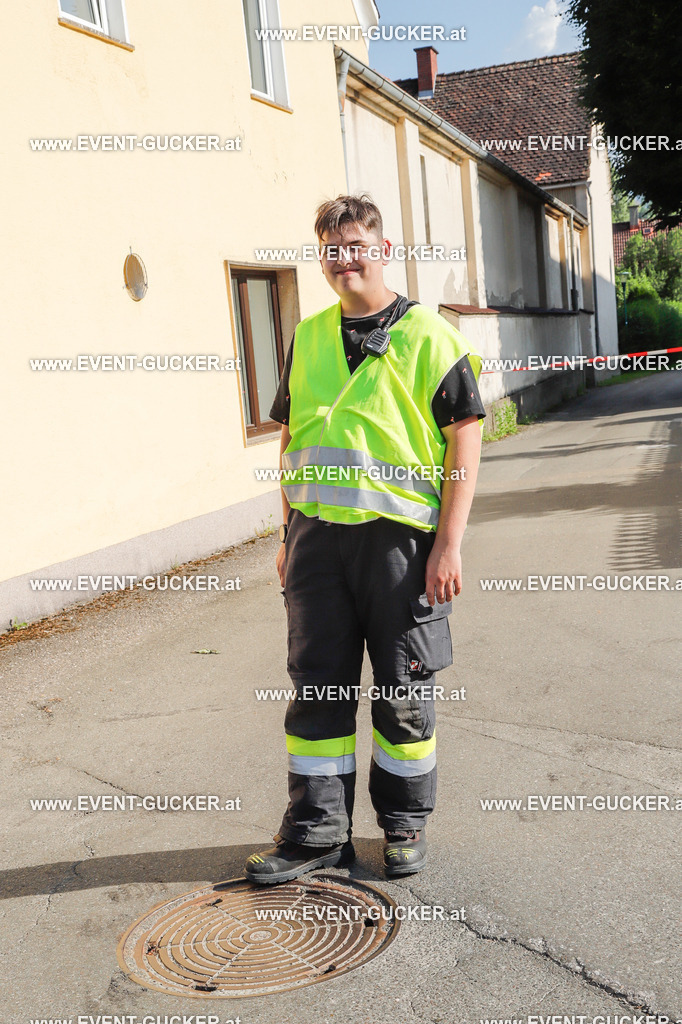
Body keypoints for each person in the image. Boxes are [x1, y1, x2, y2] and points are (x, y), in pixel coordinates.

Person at [245, 194, 485, 885]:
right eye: (332, 249)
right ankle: (318, 833)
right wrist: (288, 532)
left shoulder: (429, 335)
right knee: (316, 688)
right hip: (318, 544)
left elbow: (464, 442)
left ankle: (404, 825)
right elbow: (292, 440)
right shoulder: (310, 336)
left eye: (356, 246)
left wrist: (449, 545)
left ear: (381, 251)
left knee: (403, 687)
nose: (344, 260)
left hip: (401, 547)